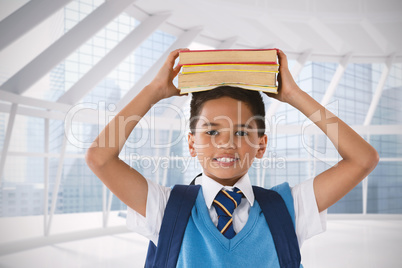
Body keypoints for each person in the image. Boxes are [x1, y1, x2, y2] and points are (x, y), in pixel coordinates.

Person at [85, 48, 379, 266]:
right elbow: (100, 157)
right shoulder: (165, 208)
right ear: (191, 144)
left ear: (261, 145)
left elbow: (362, 159)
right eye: (211, 132)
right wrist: (154, 91)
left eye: (241, 132)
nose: (226, 144)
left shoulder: (288, 209)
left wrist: (293, 95)